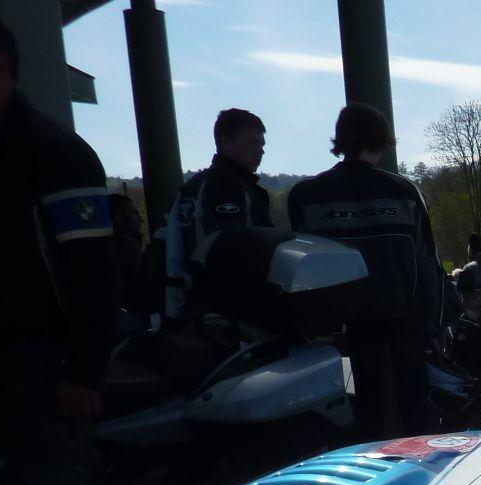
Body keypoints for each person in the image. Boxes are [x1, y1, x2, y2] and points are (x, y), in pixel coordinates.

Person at [0, 15, 125, 485]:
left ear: (0, 69)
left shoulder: (52, 152)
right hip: (6, 357)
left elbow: (94, 272)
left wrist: (83, 370)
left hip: (42, 364)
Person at [289, 102, 444, 438]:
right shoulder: (405, 192)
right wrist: (432, 327)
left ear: (341, 138)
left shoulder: (306, 196)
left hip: (340, 332)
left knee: (362, 417)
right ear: (382, 139)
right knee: (414, 415)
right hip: (403, 325)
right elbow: (428, 266)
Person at [164, 107, 272, 319]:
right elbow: (234, 255)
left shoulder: (190, 189)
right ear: (225, 142)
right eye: (252, 143)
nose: (260, 151)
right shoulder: (227, 188)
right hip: (226, 314)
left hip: (191, 308)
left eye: (262, 144)